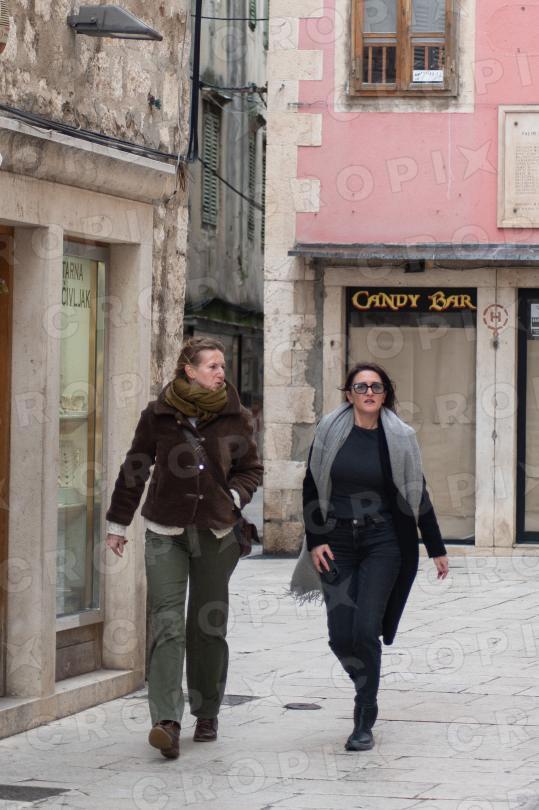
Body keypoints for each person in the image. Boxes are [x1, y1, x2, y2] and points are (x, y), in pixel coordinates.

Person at [105, 337, 263, 760]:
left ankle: (207, 711)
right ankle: (166, 722)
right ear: (189, 370)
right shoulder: (158, 415)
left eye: (223, 365)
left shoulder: (236, 417)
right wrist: (118, 523)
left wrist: (235, 496)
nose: (221, 372)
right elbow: (135, 468)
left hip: (216, 534)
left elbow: (251, 469)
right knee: (168, 624)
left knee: (207, 626)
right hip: (165, 531)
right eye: (212, 366)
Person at [291, 362, 448, 752]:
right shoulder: (329, 431)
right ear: (349, 394)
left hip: (383, 542)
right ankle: (367, 684)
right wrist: (316, 540)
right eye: (360, 387)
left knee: (365, 630)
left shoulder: (400, 437)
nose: (368, 393)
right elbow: (311, 486)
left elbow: (416, 491)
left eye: (376, 387)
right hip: (336, 543)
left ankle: (364, 714)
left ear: (385, 393)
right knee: (340, 636)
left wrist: (436, 547)